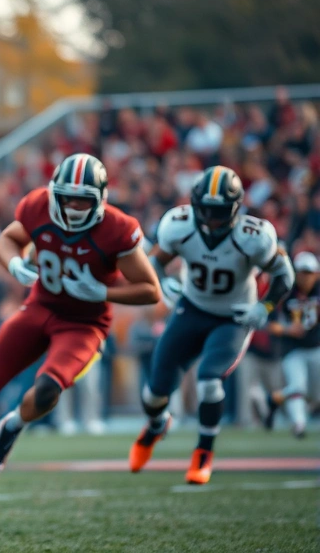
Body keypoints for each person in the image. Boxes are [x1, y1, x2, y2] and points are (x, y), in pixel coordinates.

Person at [0, 153, 160, 505]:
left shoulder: (116, 229)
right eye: (66, 197)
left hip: (84, 324)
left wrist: (104, 291)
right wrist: (15, 263)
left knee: (48, 389)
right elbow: (8, 239)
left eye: (83, 199)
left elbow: (150, 289)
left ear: (101, 199)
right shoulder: (38, 206)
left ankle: (12, 425)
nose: (73, 206)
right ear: (54, 194)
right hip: (39, 307)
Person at [130, 166, 293, 484]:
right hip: (191, 308)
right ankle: (155, 425)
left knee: (209, 381)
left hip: (233, 316)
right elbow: (153, 262)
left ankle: (203, 452)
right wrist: (163, 283)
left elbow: (284, 273)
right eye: (205, 210)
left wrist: (266, 305)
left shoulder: (254, 236)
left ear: (235, 208)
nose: (211, 219)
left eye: (219, 211)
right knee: (153, 393)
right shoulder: (179, 226)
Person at [252, 251, 320, 438]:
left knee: (315, 395)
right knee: (297, 386)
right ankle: (299, 425)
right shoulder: (285, 290)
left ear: (317, 274)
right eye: (302, 273)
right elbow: (269, 323)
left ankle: (273, 399)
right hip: (293, 350)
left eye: (309, 273)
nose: (305, 278)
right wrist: (288, 329)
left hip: (316, 348)